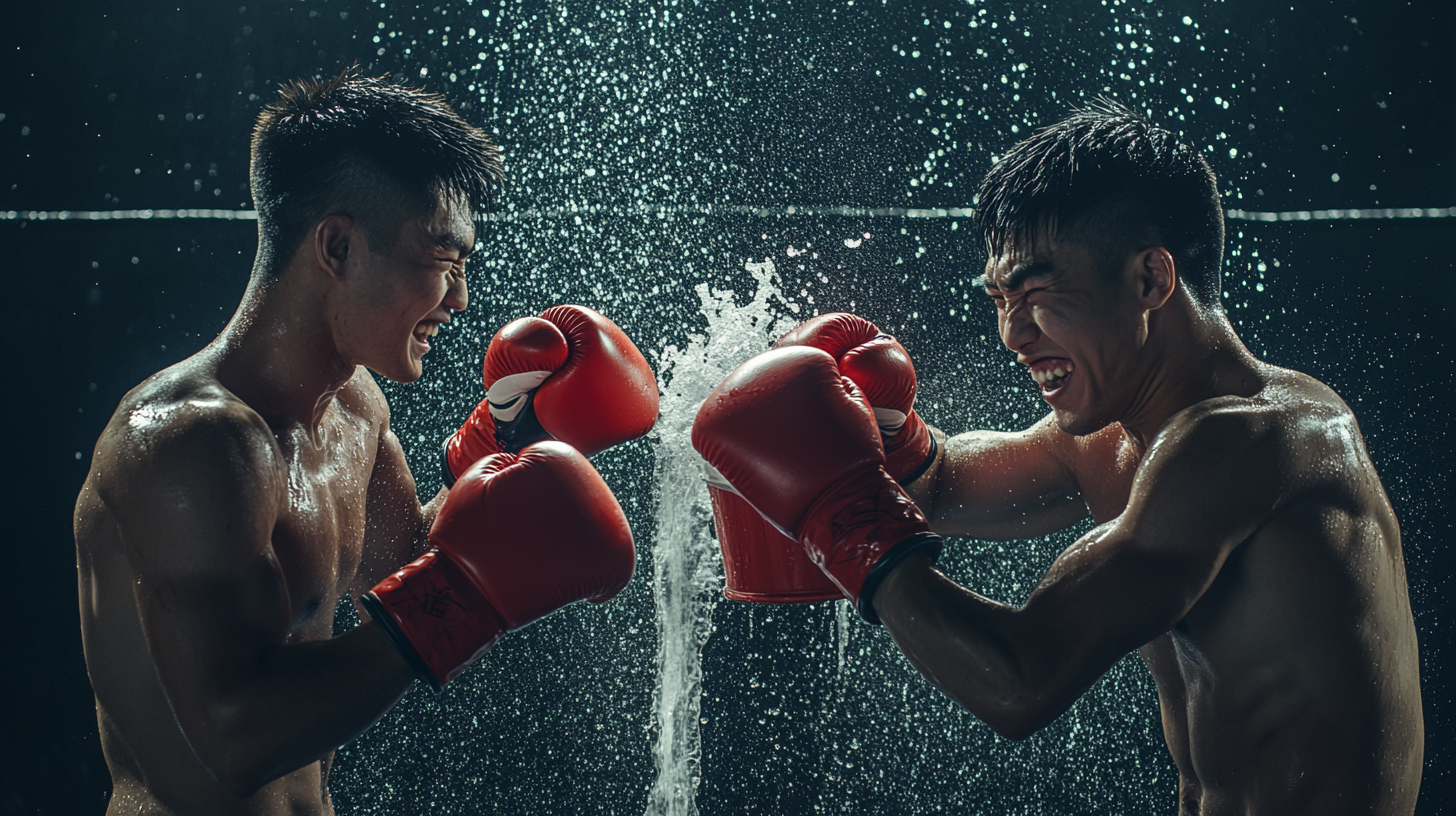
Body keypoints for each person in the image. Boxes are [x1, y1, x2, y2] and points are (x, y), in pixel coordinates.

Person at [693, 103, 1424, 815]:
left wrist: (844, 513)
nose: (1013, 332)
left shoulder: (1257, 441)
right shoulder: (1110, 439)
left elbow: (1021, 683)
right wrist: (891, 434)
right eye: (1000, 297)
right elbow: (942, 487)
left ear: (1149, 280)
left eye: (1036, 290)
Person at [74, 70, 657, 815]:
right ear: (339, 247)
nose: (461, 300)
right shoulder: (188, 443)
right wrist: (459, 595)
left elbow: (408, 562)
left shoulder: (355, 409)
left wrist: (519, 436)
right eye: (444, 263)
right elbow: (234, 741)